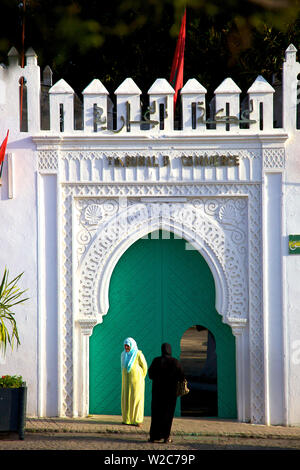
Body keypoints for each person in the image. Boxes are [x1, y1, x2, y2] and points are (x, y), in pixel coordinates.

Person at [148, 342, 185, 443]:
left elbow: (150, 375)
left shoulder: (156, 361)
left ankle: (153, 437)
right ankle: (166, 437)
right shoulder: (175, 362)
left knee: (156, 415)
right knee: (168, 415)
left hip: (157, 393)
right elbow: (182, 377)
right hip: (170, 394)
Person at [121, 337, 148, 426]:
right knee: (126, 399)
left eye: (128, 346)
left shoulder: (138, 354)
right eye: (125, 346)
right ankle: (127, 419)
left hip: (137, 382)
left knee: (136, 399)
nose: (126, 348)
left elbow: (144, 367)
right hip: (126, 382)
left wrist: (140, 376)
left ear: (132, 345)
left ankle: (137, 420)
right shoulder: (123, 354)